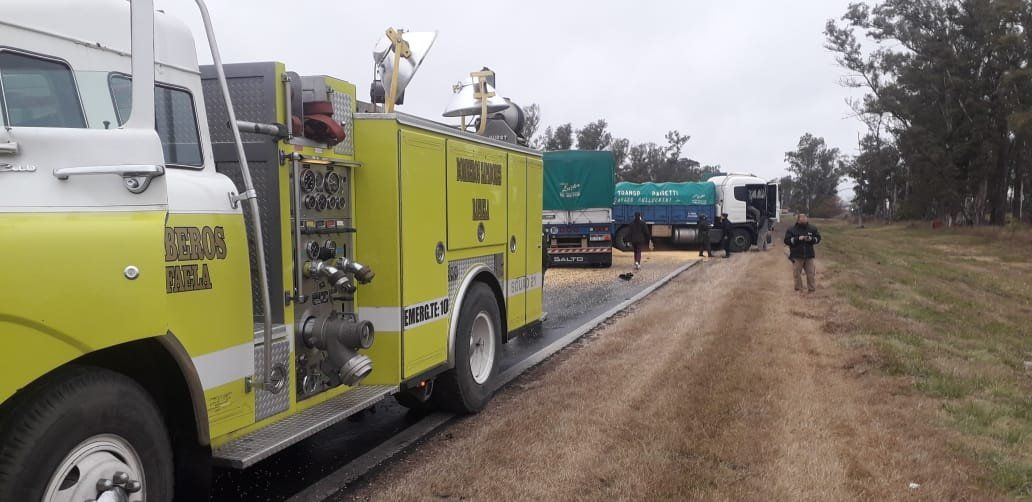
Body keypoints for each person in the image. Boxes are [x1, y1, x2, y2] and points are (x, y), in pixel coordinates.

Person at [784, 213, 822, 292]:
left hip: (809, 255)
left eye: (805, 218)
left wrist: (811, 239)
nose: (804, 219)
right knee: (797, 274)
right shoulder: (791, 229)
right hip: (796, 255)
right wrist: (798, 239)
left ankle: (811, 290)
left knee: (811, 273)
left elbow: (818, 239)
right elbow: (786, 241)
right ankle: (798, 290)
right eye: (802, 218)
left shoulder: (812, 228)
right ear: (798, 220)